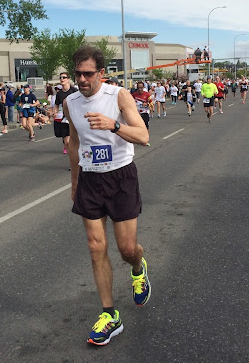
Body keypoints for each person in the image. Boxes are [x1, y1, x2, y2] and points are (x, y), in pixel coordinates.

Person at [63, 46, 150, 346]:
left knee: (127, 250)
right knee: (95, 246)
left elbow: (143, 136)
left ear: (101, 73)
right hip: (90, 178)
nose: (82, 80)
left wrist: (114, 125)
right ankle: (110, 315)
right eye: (78, 74)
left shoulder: (119, 96)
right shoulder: (70, 102)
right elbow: (74, 143)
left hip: (121, 177)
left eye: (88, 74)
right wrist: (74, 182)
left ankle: (138, 269)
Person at [53, 72, 78, 155]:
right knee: (66, 142)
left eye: (64, 77)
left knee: (75, 141)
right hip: (65, 119)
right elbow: (56, 104)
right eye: (60, 77)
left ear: (68, 79)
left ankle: (77, 159)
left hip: (75, 119)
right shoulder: (59, 94)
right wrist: (55, 112)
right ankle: (72, 159)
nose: (62, 79)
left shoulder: (74, 91)